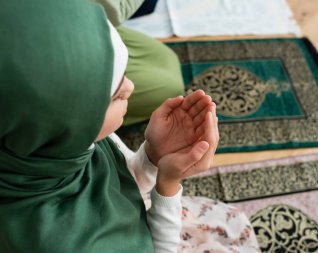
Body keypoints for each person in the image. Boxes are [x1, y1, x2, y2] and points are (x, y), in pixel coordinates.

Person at [0, 0, 218, 252]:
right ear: (71, 122)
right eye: (115, 95)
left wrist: (153, 157)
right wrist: (168, 185)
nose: (131, 87)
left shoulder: (46, 141)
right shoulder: (61, 244)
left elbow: (121, 186)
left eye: (125, 74)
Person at [93, 0, 185, 126]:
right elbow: (113, 12)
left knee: (168, 58)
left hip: (89, 22)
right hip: (79, 39)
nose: (129, 86)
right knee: (170, 88)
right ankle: (100, 119)